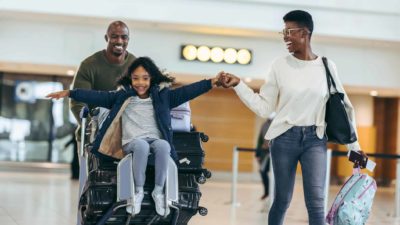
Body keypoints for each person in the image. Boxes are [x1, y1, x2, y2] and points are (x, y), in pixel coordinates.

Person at [218, 10, 363, 225]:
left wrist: (355, 147)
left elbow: (344, 109)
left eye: (289, 31)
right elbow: (264, 108)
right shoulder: (279, 66)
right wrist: (239, 85)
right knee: (281, 201)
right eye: (283, 31)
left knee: (316, 202)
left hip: (315, 139)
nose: (285, 36)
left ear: (305, 33)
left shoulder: (327, 66)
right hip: (284, 138)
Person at [47, 56, 223, 216]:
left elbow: (189, 91)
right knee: (141, 145)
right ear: (129, 79)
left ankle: (158, 191)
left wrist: (213, 82)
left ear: (152, 78)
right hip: (132, 142)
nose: (140, 83)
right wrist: (70, 93)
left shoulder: (163, 97)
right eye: (136, 78)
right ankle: (137, 191)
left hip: (155, 141)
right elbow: (96, 95)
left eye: (145, 78)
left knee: (164, 146)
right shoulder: (121, 97)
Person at [70, 20, 136, 139]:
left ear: (128, 40)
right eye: (114, 36)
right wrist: (92, 128)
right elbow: (77, 103)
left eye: (124, 37)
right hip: (93, 133)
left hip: (125, 135)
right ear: (107, 38)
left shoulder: (136, 66)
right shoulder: (89, 65)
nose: (119, 41)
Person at [256, 117, 273, 201]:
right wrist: (257, 154)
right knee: (263, 172)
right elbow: (259, 140)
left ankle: (275, 193)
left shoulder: (278, 123)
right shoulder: (264, 125)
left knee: (277, 175)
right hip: (265, 153)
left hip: (276, 153)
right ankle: (267, 192)